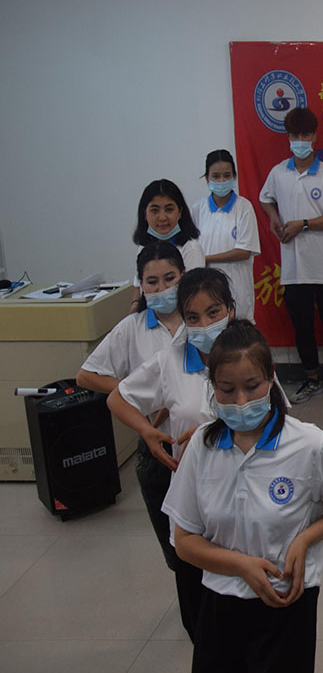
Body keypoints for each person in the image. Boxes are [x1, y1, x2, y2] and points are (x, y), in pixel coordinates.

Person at [163, 320, 323, 673]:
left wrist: (306, 538)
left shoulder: (308, 445)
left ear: (271, 377)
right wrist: (241, 565)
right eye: (227, 390)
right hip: (221, 599)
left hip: (285, 600)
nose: (241, 401)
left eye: (252, 386)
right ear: (212, 387)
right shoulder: (202, 447)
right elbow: (185, 540)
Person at [107, 267, 237, 642]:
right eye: (193, 317)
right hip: (193, 496)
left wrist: (218, 429)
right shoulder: (170, 361)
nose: (204, 325)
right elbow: (118, 398)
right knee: (197, 601)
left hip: (243, 490)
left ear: (230, 309)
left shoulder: (249, 354)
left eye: (213, 312)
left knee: (242, 593)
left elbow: (276, 418)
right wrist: (148, 432)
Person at [78, 242, 187, 570]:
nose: (162, 288)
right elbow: (87, 375)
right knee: (176, 549)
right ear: (140, 285)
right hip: (157, 445)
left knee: (211, 542)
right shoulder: (132, 328)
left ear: (184, 276)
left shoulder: (200, 322)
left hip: (203, 440)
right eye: (152, 281)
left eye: (170, 278)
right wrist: (139, 397)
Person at [259, 106, 323, 405]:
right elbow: (265, 199)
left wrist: (304, 224)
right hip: (293, 267)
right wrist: (274, 218)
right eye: (295, 135)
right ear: (288, 137)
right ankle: (311, 377)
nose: (300, 140)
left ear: (314, 137)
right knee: (301, 325)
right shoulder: (278, 173)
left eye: (305, 134)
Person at [192, 149, 261, 324]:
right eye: (216, 176)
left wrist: (206, 259)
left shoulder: (244, 207)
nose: (222, 181)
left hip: (237, 290)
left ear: (234, 177)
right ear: (207, 179)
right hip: (205, 290)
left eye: (227, 175)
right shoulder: (198, 209)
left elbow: (244, 251)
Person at [134, 178, 205, 278]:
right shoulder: (143, 248)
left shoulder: (190, 249)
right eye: (155, 210)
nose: (162, 218)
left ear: (180, 212)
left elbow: (194, 287)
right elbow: (139, 285)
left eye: (169, 210)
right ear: (144, 214)